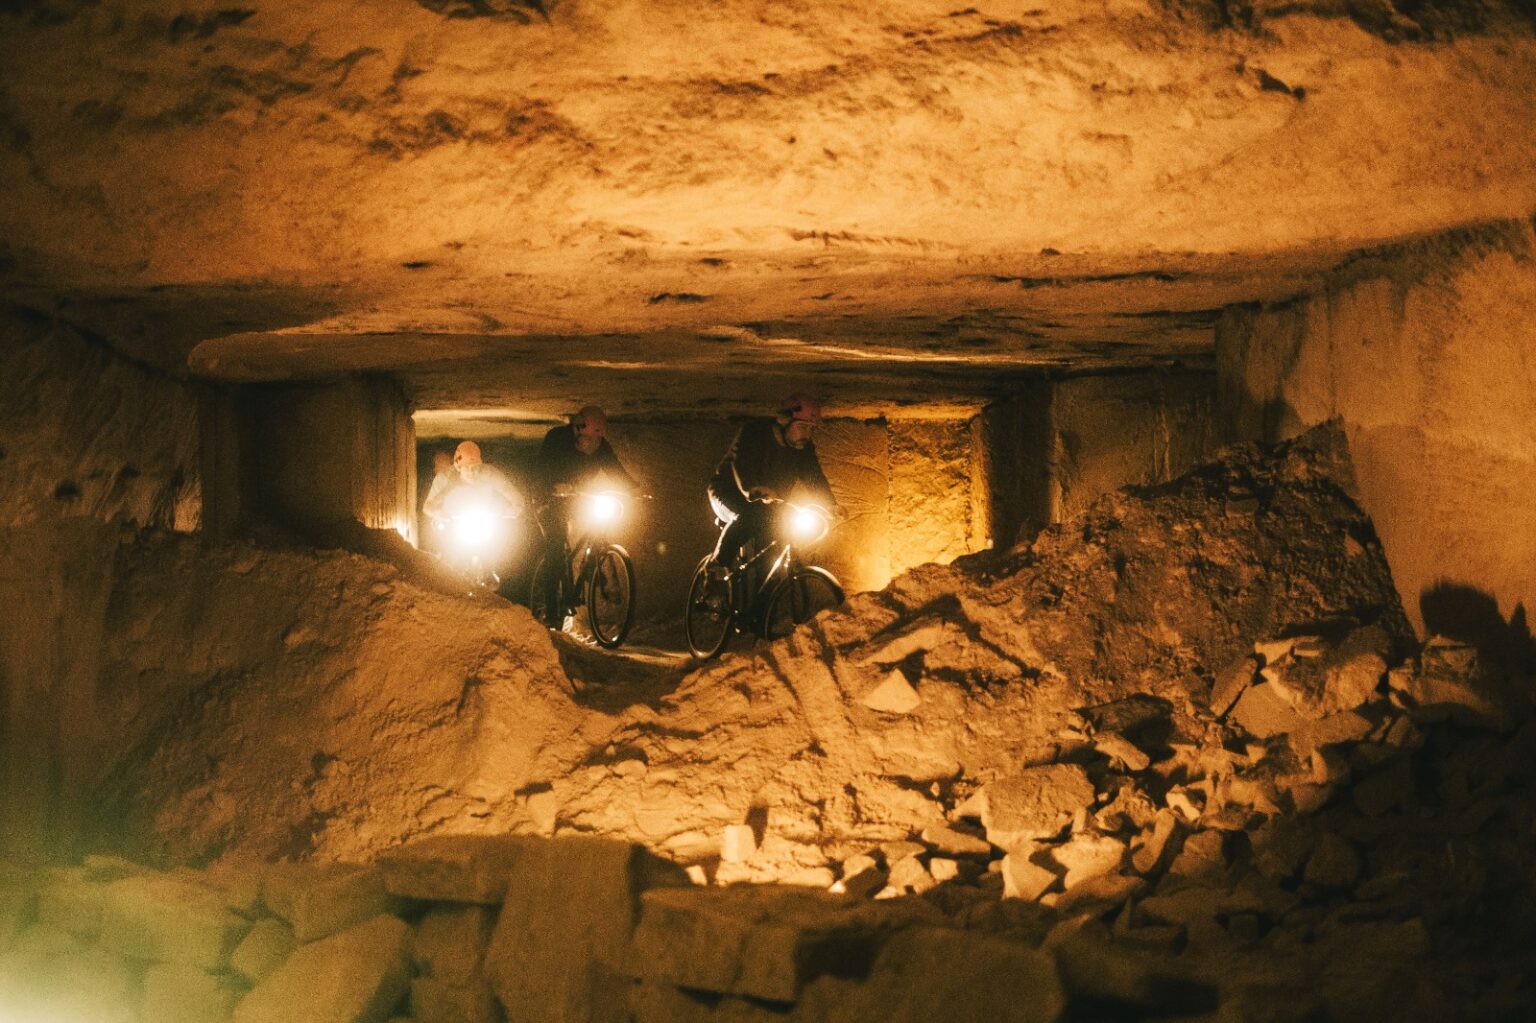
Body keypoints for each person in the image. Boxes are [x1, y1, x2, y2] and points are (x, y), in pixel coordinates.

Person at [705, 396, 840, 575]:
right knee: (749, 516)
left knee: (771, 549)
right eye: (802, 427)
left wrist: (831, 504)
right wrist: (751, 488)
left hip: (769, 504)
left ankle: (766, 589)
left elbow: (814, 476)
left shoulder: (802, 448)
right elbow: (742, 463)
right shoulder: (755, 432)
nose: (807, 435)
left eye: (811, 429)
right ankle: (716, 566)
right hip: (728, 492)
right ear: (784, 421)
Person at [531, 406, 638, 623]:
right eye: (588, 440)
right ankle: (551, 613)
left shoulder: (600, 447)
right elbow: (541, 470)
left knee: (599, 524)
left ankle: (591, 564)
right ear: (577, 431)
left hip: (575, 498)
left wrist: (634, 489)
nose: (592, 445)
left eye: (596, 441)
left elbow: (614, 468)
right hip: (548, 500)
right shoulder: (557, 439)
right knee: (556, 549)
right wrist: (552, 486)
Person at [422, 440, 525, 527]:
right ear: (458, 467)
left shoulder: (489, 474)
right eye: (467, 467)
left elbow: (517, 500)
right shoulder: (444, 479)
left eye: (476, 467)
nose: (472, 472)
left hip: (482, 523)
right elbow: (427, 507)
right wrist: (437, 514)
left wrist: (507, 513)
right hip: (454, 524)